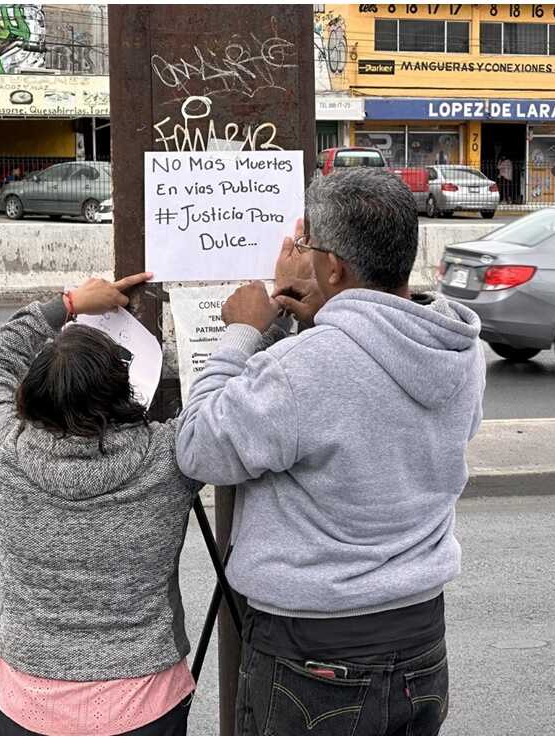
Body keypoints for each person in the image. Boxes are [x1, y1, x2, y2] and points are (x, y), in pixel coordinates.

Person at [174, 167, 485, 735]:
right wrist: (323, 313)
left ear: (333, 266)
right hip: (420, 638)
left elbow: (198, 447)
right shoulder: (456, 347)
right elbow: (373, 402)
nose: (301, 252)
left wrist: (243, 332)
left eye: (308, 244)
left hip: (315, 651)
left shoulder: (304, 369)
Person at [0, 273, 204, 736]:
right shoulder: (171, 455)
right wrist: (259, 331)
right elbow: (226, 406)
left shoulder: (5, 447)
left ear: (34, 392)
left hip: (27, 703)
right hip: (142, 702)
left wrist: (71, 302)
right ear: (125, 389)